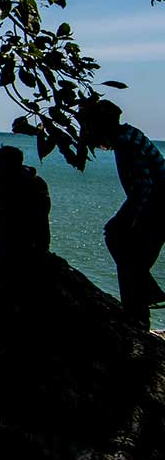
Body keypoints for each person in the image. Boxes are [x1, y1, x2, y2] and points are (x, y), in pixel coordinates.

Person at [80, 99, 165, 329]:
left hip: (158, 208)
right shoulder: (130, 135)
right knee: (131, 260)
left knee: (126, 256)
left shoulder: (126, 143)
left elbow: (143, 187)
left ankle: (137, 316)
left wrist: (129, 218)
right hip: (156, 207)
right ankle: (143, 303)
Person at [0, 145, 51, 262]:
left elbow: (39, 213)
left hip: (29, 227)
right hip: (8, 220)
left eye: (1, 166)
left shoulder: (35, 183)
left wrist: (3, 196)